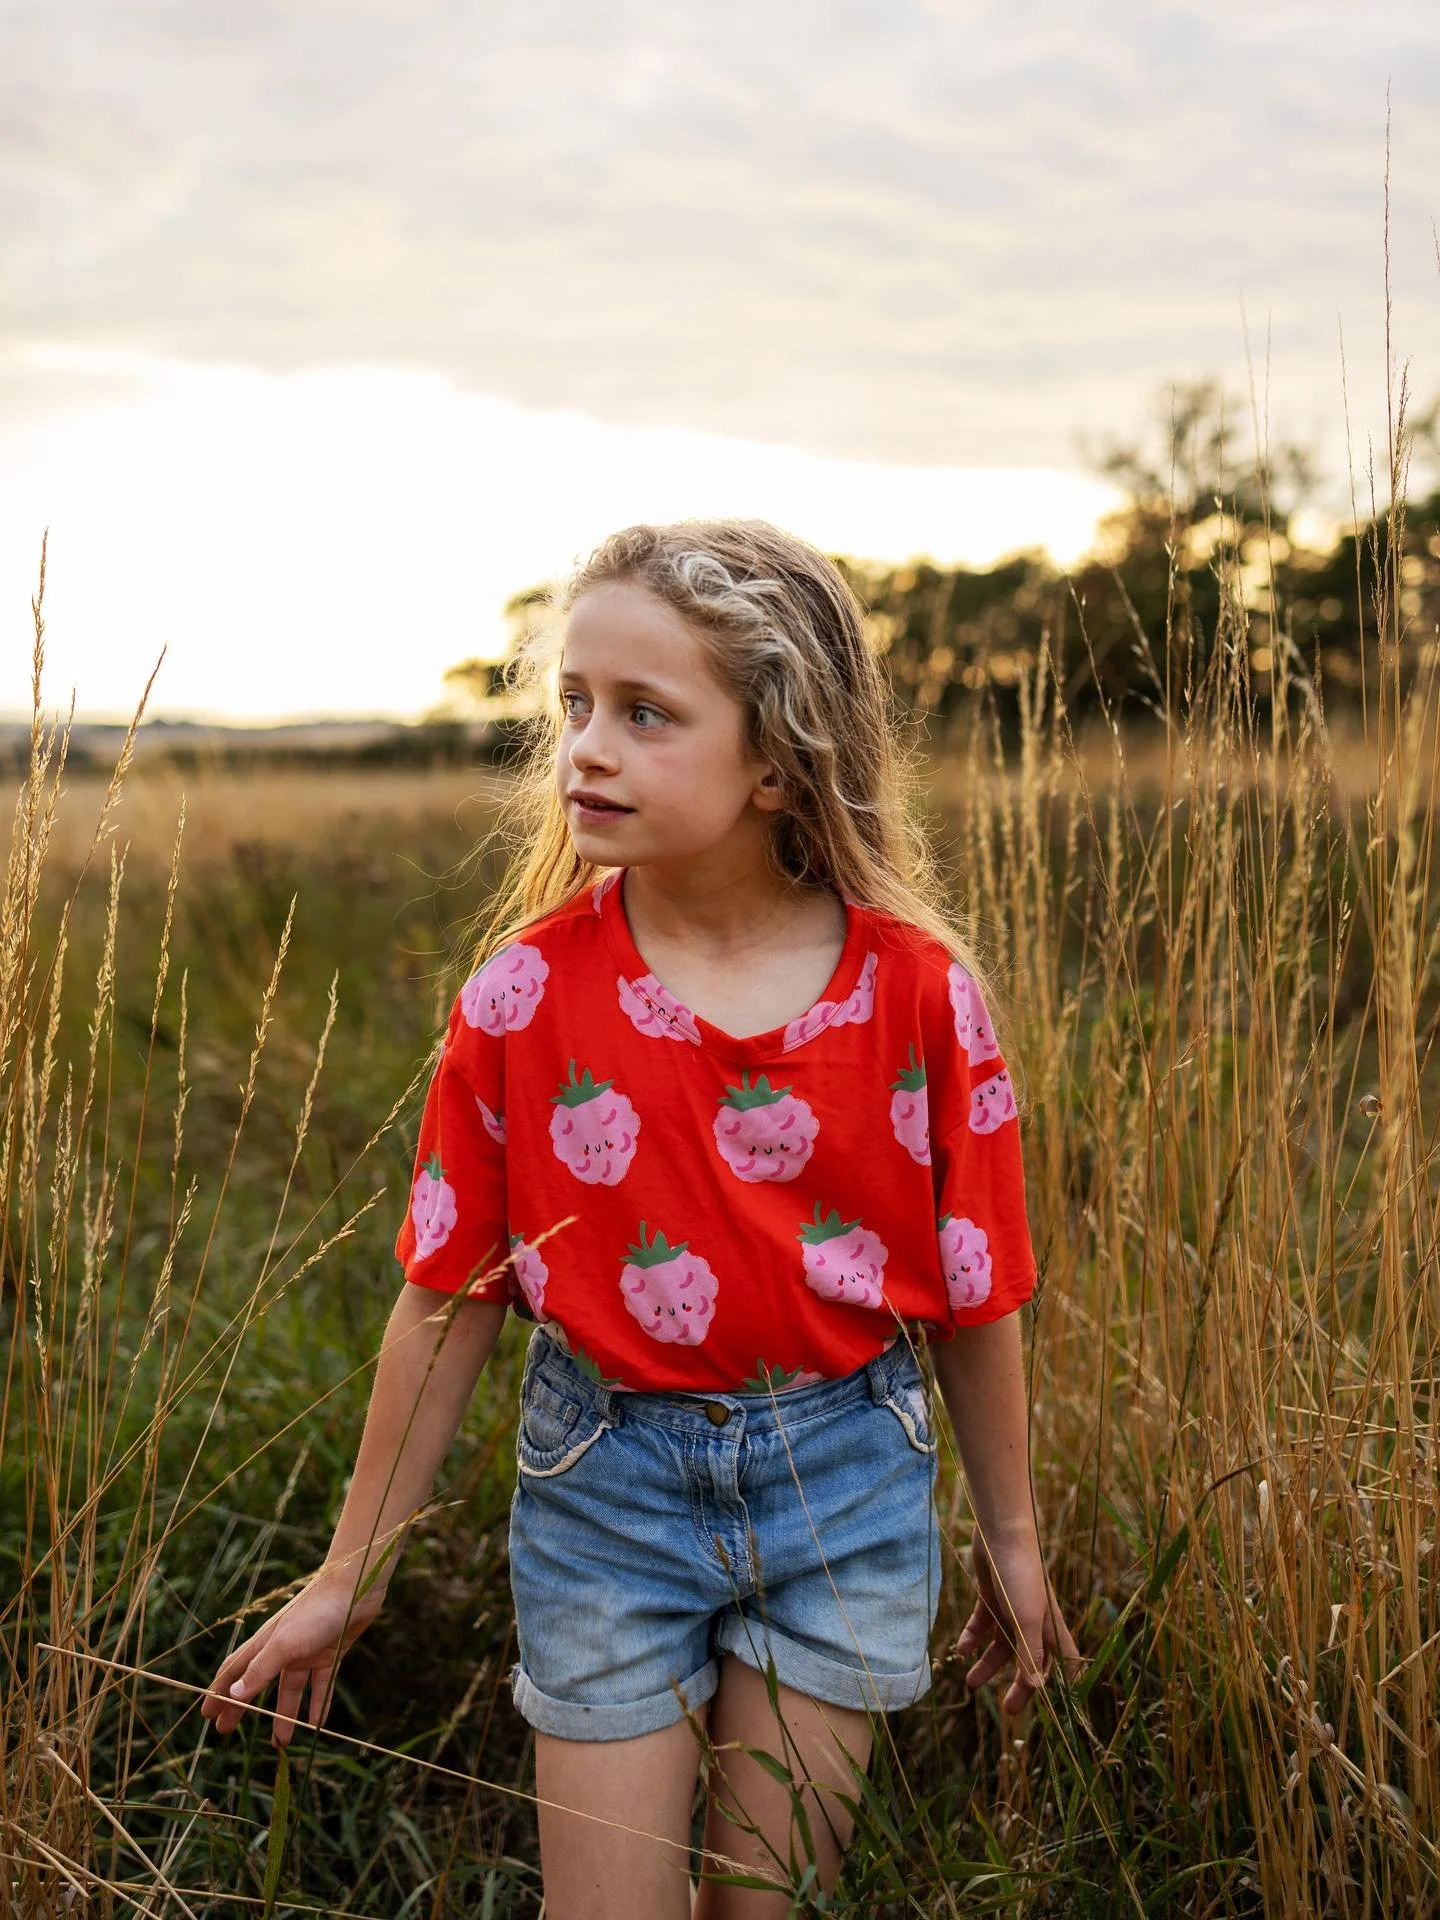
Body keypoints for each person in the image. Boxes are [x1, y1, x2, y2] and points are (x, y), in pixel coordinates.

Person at [202, 518, 1078, 1918]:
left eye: (644, 715)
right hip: (607, 1488)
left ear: (780, 759)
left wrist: (1013, 1540)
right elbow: (446, 1298)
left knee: (763, 1904)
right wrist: (349, 1573)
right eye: (573, 706)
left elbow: (977, 1289)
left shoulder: (921, 996)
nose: (584, 750)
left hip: (846, 1486)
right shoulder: (526, 999)